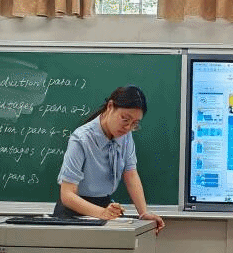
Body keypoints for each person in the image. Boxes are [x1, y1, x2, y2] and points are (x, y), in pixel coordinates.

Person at [53, 85, 165, 233]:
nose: (128, 127)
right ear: (110, 106)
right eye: (125, 119)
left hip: (103, 206)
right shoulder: (81, 139)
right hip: (74, 212)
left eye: (134, 124)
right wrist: (102, 213)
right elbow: (67, 195)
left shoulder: (125, 136)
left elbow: (130, 174)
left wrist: (143, 213)